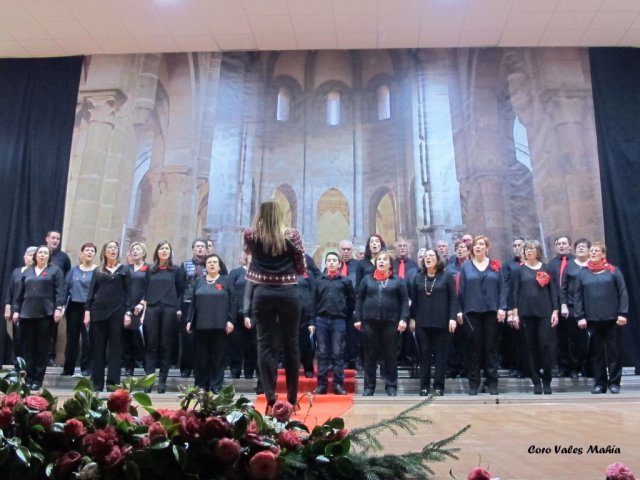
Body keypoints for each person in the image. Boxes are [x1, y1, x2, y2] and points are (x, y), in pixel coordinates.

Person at [243, 201, 307, 410]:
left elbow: (249, 256)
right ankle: (291, 398)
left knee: (265, 345)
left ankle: (270, 397)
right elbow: (301, 266)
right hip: (288, 292)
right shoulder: (293, 235)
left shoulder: (251, 235)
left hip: (262, 292)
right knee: (291, 343)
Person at [574, 242, 629, 394]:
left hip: (612, 319)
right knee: (596, 353)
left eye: (596, 251)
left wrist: (622, 313)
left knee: (614, 352)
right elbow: (577, 297)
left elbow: (623, 292)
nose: (593, 253)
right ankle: (600, 384)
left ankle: (614, 383)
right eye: (591, 250)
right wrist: (580, 317)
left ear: (603, 254)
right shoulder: (583, 273)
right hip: (591, 319)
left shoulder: (613, 271)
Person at [354, 250, 409, 396]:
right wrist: (358, 318)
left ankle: (391, 386)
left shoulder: (398, 280)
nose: (381, 262)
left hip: (391, 322)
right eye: (379, 259)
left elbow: (404, 301)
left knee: (390, 355)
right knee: (370, 355)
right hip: (369, 321)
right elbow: (359, 299)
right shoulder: (367, 279)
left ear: (390, 264)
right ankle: (369, 387)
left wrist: (403, 319)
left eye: (385, 259)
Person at [457, 235, 507, 395]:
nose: (477, 247)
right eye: (475, 245)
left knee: (491, 347)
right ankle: (474, 383)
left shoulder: (495, 266)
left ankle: (492, 382)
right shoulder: (466, 267)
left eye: (481, 244)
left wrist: (502, 307)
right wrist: (459, 310)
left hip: (492, 312)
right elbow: (460, 290)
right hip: (471, 312)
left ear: (487, 248)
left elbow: (503, 289)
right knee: (474, 348)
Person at [11, 246, 65, 390]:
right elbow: (19, 294)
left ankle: (37, 379)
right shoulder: (27, 271)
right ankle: (28, 377)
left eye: (45, 253)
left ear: (49, 256)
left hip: (45, 314)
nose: (42, 255)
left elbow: (60, 292)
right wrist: (16, 310)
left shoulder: (55, 271)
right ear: (35, 255)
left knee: (41, 348)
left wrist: (59, 308)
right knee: (27, 348)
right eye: (40, 253)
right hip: (26, 314)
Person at [511, 240, 559, 394]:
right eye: (526, 249)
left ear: (538, 251)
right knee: (529, 347)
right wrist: (515, 313)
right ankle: (536, 380)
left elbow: (554, 291)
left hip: (545, 312)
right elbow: (514, 292)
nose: (528, 252)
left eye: (531, 249)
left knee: (545, 346)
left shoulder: (547, 268)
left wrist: (555, 311)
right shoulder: (519, 270)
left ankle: (547, 380)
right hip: (526, 313)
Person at [409, 249, 459, 396]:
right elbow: (414, 301)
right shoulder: (418, 277)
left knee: (440, 356)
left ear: (438, 259)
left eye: (431, 256)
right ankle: (424, 386)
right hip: (422, 323)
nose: (428, 258)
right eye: (426, 256)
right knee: (424, 356)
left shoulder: (447, 277)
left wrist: (452, 318)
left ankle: (438, 386)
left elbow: (453, 299)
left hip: (442, 322)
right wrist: (412, 318)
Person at [84, 241, 131, 392]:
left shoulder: (124, 270)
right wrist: (87, 311)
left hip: (117, 312)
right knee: (98, 349)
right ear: (104, 251)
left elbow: (129, 293)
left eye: (115, 248)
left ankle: (112, 384)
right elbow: (91, 293)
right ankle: (97, 384)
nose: (112, 250)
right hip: (98, 312)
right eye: (110, 247)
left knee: (115, 349)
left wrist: (128, 312)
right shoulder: (98, 271)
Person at [186, 254, 236, 393]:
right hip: (201, 325)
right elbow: (193, 303)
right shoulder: (199, 281)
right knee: (201, 358)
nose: (212, 264)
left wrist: (231, 320)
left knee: (218, 358)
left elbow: (233, 302)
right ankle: (201, 387)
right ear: (205, 266)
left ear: (219, 266)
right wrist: (189, 320)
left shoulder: (226, 281)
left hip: (220, 326)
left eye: (215, 262)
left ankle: (215, 387)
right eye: (209, 262)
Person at [142, 241, 185, 393]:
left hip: (169, 308)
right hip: (152, 308)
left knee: (166, 345)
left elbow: (181, 291)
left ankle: (162, 381)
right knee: (151, 345)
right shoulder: (150, 270)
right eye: (162, 249)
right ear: (157, 252)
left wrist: (178, 309)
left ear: (170, 252)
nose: (164, 251)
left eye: (167, 248)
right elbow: (145, 289)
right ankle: (149, 381)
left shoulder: (177, 270)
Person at [310, 251, 355, 395]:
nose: (331, 263)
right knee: (322, 353)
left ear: (339, 263)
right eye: (328, 260)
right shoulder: (319, 281)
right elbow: (313, 302)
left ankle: (338, 385)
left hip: (339, 320)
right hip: (321, 320)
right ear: (325, 263)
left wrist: (344, 313)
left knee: (337, 353)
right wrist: (312, 321)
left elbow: (352, 301)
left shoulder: (345, 281)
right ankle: (322, 385)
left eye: (334, 260)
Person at [63, 242, 98, 377]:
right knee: (72, 338)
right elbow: (66, 288)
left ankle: (86, 367)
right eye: (87, 250)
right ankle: (68, 368)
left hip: (89, 308)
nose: (89, 253)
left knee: (88, 339)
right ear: (81, 254)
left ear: (95, 254)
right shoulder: (73, 270)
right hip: (73, 307)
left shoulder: (97, 270)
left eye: (92, 251)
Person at [560, 238, 591, 378]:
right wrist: (564, 305)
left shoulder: (593, 265)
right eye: (578, 246)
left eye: (584, 247)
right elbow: (564, 287)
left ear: (589, 250)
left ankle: (588, 367)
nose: (580, 249)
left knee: (589, 339)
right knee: (573, 339)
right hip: (572, 307)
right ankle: (574, 367)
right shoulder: (570, 266)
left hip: (591, 307)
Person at [178, 237, 208, 378]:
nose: (200, 248)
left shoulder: (210, 264)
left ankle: (199, 368)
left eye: (202, 246)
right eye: (197, 246)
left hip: (204, 304)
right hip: (187, 303)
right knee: (187, 338)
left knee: (201, 338)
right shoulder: (185, 265)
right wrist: (178, 307)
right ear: (193, 249)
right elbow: (180, 287)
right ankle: (186, 367)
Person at [4, 246, 37, 365]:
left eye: (34, 255)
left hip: (31, 310)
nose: (32, 258)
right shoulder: (17, 272)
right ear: (24, 257)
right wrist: (8, 306)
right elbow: (10, 290)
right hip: (16, 309)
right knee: (16, 338)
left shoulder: (37, 273)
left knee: (29, 339)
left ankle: (28, 364)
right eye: (30, 255)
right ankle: (17, 364)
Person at [227, 252, 257, 380]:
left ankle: (249, 372)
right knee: (236, 345)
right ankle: (235, 371)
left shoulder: (260, 274)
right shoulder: (236, 272)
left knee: (252, 345)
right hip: (236, 314)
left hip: (254, 315)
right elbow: (230, 293)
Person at [548, 235, 575, 377]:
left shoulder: (576, 262)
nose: (561, 246)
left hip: (573, 304)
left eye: (564, 243)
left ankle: (575, 367)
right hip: (556, 305)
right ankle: (563, 366)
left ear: (570, 246)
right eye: (558, 244)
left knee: (574, 337)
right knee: (560, 338)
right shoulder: (550, 265)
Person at [45, 230, 71, 366]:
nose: (55, 241)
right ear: (47, 239)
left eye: (58, 239)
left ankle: (50, 356)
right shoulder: (41, 253)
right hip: (39, 300)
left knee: (52, 330)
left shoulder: (63, 258)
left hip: (55, 301)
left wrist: (62, 303)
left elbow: (66, 282)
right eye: (53, 238)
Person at [124, 241, 148, 376]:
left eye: (138, 249)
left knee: (140, 338)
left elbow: (149, 288)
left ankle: (144, 363)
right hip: (128, 307)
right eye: (133, 249)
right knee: (127, 338)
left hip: (142, 308)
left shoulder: (148, 268)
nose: (135, 251)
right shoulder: (126, 268)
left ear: (143, 252)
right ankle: (129, 367)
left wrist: (142, 303)